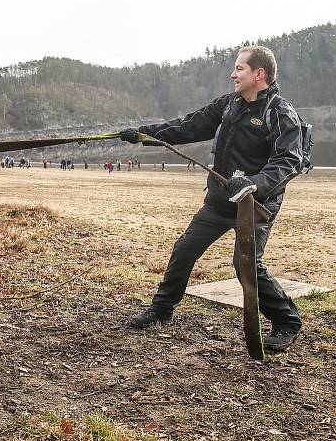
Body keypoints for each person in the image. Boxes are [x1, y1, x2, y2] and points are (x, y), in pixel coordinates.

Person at [119, 46, 303, 352]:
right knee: (185, 248)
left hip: (254, 205)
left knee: (246, 266)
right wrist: (142, 133)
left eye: (239, 69)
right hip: (219, 201)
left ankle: (287, 321)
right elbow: (188, 125)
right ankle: (162, 309)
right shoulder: (229, 105)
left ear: (259, 74)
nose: (233, 74)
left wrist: (253, 184)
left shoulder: (281, 113)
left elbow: (288, 161)